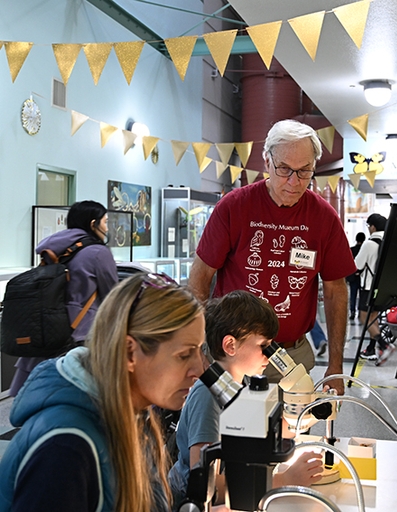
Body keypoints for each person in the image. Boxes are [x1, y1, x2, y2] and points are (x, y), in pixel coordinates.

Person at [0, 273, 224, 512]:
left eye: (199, 351)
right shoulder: (65, 450)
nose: (199, 370)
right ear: (130, 353)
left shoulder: (134, 414)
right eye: (183, 355)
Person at [189, 119, 357, 395]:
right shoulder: (234, 207)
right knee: (228, 435)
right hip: (233, 356)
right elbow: (199, 277)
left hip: (291, 356)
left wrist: (335, 366)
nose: (294, 182)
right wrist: (203, 350)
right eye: (284, 169)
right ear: (267, 161)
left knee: (291, 434)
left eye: (304, 171)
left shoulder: (323, 217)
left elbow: (336, 290)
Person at [169, 290, 323, 507]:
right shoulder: (209, 396)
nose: (270, 355)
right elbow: (202, 482)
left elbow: (266, 430)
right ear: (231, 345)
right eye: (264, 346)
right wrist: (281, 480)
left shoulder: (241, 384)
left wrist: (304, 417)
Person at [9, 200, 119, 397]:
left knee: (35, 390)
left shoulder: (54, 247)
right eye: (105, 222)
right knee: (73, 393)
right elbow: (113, 295)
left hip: (44, 324)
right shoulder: (98, 252)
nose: (107, 227)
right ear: (93, 224)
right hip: (79, 333)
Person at [357, 213, 396, 366]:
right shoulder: (390, 243)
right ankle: (371, 349)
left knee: (364, 318)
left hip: (368, 288)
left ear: (373, 226)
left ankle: (385, 345)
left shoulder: (369, 244)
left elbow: (357, 266)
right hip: (383, 289)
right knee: (374, 319)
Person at [346, 232, 366, 320]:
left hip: (352, 276)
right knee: (362, 296)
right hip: (363, 277)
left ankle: (352, 312)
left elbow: (348, 263)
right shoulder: (365, 250)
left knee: (353, 295)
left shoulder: (351, 250)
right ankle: (361, 313)